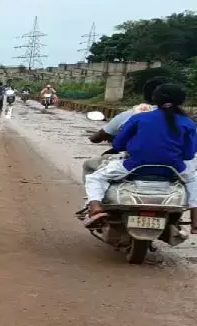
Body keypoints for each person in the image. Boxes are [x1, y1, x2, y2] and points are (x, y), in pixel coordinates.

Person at [83, 83, 197, 230]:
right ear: (181, 100)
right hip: (173, 169)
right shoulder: (188, 122)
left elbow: (118, 144)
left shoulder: (139, 118)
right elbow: (188, 154)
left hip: (134, 166)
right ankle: (195, 219)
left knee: (96, 177)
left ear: (155, 99)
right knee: (194, 181)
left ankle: (95, 207)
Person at [82, 77, 169, 175]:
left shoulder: (132, 115)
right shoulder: (184, 120)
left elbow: (118, 144)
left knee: (89, 167)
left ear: (147, 95)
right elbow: (188, 152)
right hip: (174, 167)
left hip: (132, 165)